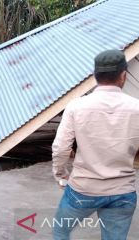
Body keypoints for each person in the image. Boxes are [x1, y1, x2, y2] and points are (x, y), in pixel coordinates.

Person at [52, 49, 139, 240]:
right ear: (123, 75)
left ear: (95, 75)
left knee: (61, 230)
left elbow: (61, 148)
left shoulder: (76, 106)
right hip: (123, 191)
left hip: (83, 188)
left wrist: (61, 174)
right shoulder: (137, 108)